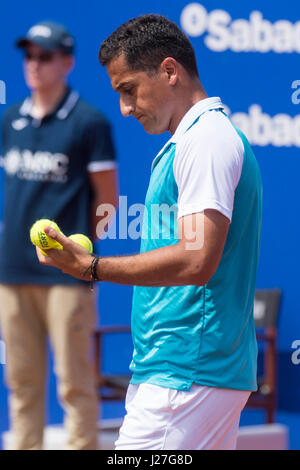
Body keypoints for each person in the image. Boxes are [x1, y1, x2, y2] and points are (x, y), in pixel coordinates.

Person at [35, 14, 262, 450]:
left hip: (185, 373)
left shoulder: (206, 140)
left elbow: (198, 260)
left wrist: (91, 268)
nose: (124, 107)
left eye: (128, 89)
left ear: (170, 71)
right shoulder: (199, 139)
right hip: (190, 373)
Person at [0, 21, 118, 450]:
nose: (34, 64)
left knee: (74, 383)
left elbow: (107, 202)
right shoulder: (9, 118)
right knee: (22, 383)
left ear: (67, 62)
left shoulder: (89, 121)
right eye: (29, 55)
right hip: (12, 272)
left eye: (45, 55)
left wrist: (79, 257)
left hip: (68, 274)